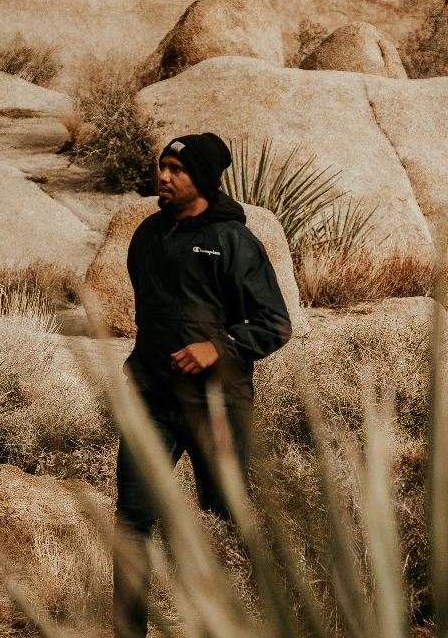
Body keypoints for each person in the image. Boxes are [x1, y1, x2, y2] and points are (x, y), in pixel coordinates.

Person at [112, 132, 294, 638]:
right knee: (132, 522)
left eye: (176, 168)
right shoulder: (147, 234)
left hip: (217, 406)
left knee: (226, 522)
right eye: (161, 166)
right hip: (150, 400)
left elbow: (275, 322)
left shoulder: (234, 241)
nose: (163, 176)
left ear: (204, 179)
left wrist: (220, 347)